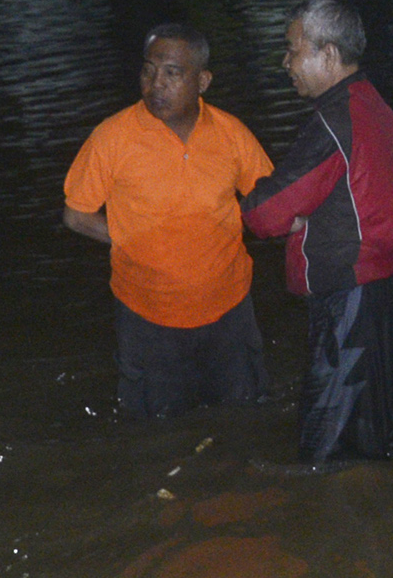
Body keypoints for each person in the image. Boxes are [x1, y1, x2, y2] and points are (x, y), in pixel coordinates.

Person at [244, 0, 393, 462]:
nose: (285, 62)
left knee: (329, 450)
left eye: (293, 50)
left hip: (354, 300)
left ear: (328, 54)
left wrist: (267, 203)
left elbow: (265, 214)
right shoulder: (373, 104)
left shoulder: (332, 123)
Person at [63, 24, 275, 417]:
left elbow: (270, 201)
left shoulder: (231, 134)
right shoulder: (113, 137)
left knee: (245, 417)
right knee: (156, 431)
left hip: (229, 309)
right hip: (148, 316)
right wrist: (131, 238)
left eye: (172, 73)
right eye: (148, 70)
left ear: (203, 81)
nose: (155, 84)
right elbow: (77, 214)